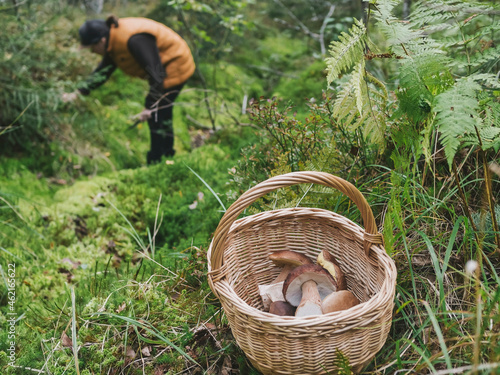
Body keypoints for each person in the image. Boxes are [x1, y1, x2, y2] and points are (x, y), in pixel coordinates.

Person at [63, 16, 195, 164]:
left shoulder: (134, 40)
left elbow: (157, 74)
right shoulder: (113, 41)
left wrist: (149, 106)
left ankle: (160, 161)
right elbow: (103, 71)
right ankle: (164, 157)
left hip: (176, 64)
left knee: (158, 114)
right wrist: (79, 92)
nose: (93, 52)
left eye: (92, 48)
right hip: (162, 70)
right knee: (160, 112)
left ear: (101, 41)